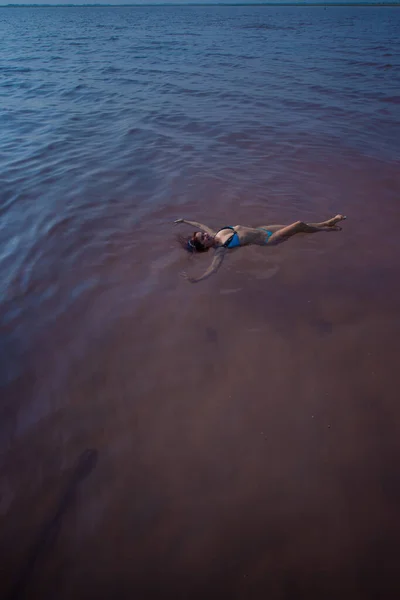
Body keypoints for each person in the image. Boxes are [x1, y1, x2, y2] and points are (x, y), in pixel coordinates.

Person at [175, 214, 346, 283]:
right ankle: (327, 229)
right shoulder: (221, 249)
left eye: (202, 234)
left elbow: (199, 224)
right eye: (203, 238)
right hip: (270, 239)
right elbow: (213, 269)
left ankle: (327, 222)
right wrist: (197, 279)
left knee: (303, 226)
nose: (205, 235)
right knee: (299, 225)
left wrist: (184, 221)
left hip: (264, 229)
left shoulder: (216, 233)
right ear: (205, 247)